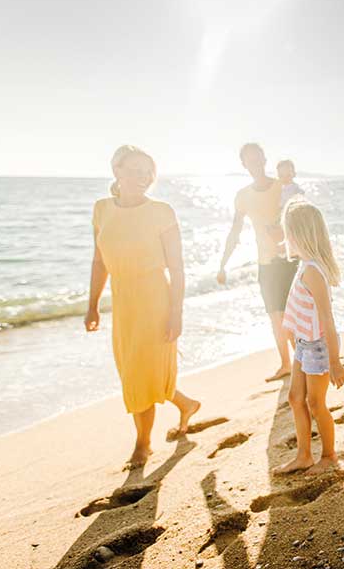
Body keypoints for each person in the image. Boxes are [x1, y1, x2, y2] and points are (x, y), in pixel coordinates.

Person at [85, 145, 201, 468]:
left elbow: (177, 269)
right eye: (134, 170)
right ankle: (187, 403)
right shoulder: (101, 210)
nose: (142, 177)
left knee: (140, 373)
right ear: (117, 171)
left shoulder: (162, 211)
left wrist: (176, 312)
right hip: (123, 304)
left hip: (155, 301)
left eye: (147, 172)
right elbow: (99, 262)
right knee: (133, 372)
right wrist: (92, 304)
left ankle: (143, 444)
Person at [273, 199, 344, 475]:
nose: (285, 238)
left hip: (318, 347)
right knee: (295, 398)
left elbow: (327, 319)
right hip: (304, 345)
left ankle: (328, 455)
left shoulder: (314, 271)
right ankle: (304, 455)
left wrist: (335, 362)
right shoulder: (304, 265)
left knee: (316, 403)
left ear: (297, 234)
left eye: (287, 232)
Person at [218, 143, 298, 381]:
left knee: (293, 314)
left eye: (258, 159)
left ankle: (303, 362)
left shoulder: (281, 187)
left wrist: (284, 232)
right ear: (244, 165)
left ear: (264, 159)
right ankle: (286, 364)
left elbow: (301, 219)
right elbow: (235, 231)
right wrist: (223, 264)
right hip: (265, 263)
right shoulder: (242, 196)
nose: (255, 164)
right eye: (249, 161)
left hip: (289, 258)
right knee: (275, 315)